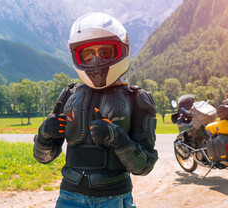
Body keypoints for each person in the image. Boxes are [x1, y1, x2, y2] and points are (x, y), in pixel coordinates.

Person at [33, 12, 158, 208]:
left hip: (114, 198)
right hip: (69, 195)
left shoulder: (137, 98)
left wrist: (116, 136)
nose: (96, 60)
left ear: (120, 51)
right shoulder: (68, 94)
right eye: (88, 53)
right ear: (78, 56)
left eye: (105, 52)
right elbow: (43, 157)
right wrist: (44, 133)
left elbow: (144, 166)